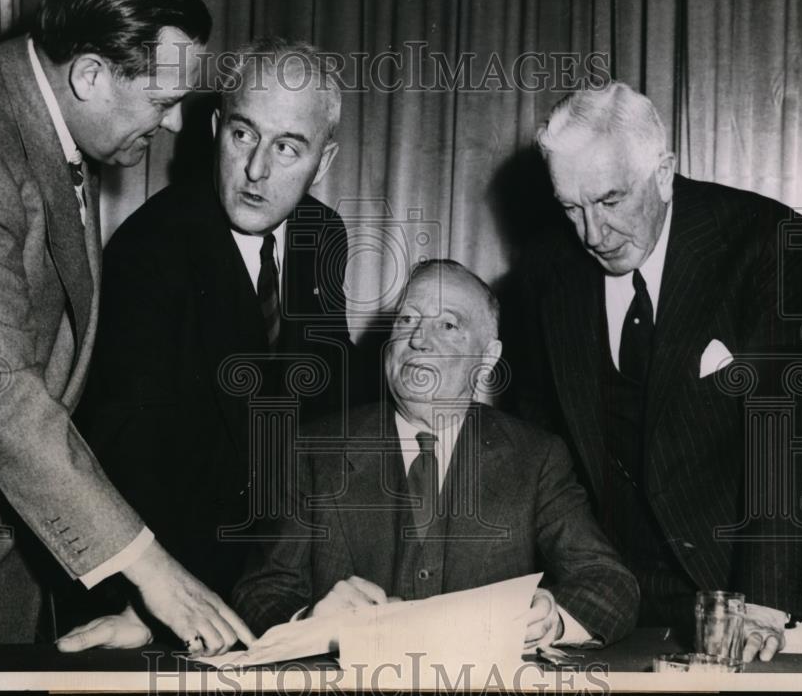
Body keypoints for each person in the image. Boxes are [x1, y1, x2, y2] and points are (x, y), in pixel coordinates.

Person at [0, 0, 252, 653]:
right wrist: (151, 568)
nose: (176, 124)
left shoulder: (37, 118)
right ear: (90, 75)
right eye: (163, 101)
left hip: (7, 539)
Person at [515, 81, 802, 662]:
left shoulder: (759, 240)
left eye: (610, 201)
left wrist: (764, 602)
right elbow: (540, 444)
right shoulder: (545, 267)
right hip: (608, 593)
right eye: (571, 208)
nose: (592, 234)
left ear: (663, 174)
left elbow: (788, 429)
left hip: (736, 589)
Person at [61, 38, 358, 640]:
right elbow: (126, 456)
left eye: (287, 147)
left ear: (322, 163)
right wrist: (149, 610)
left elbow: (327, 403)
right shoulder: (149, 251)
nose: (257, 170)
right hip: (184, 586)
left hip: (287, 576)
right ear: (217, 130)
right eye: (244, 135)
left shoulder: (323, 233)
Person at [231, 260, 639, 647]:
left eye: (447, 325)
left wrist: (553, 620)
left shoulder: (536, 458)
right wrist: (311, 623)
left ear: (488, 358)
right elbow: (260, 594)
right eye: (406, 320)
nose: (418, 339)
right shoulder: (313, 451)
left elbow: (610, 583)